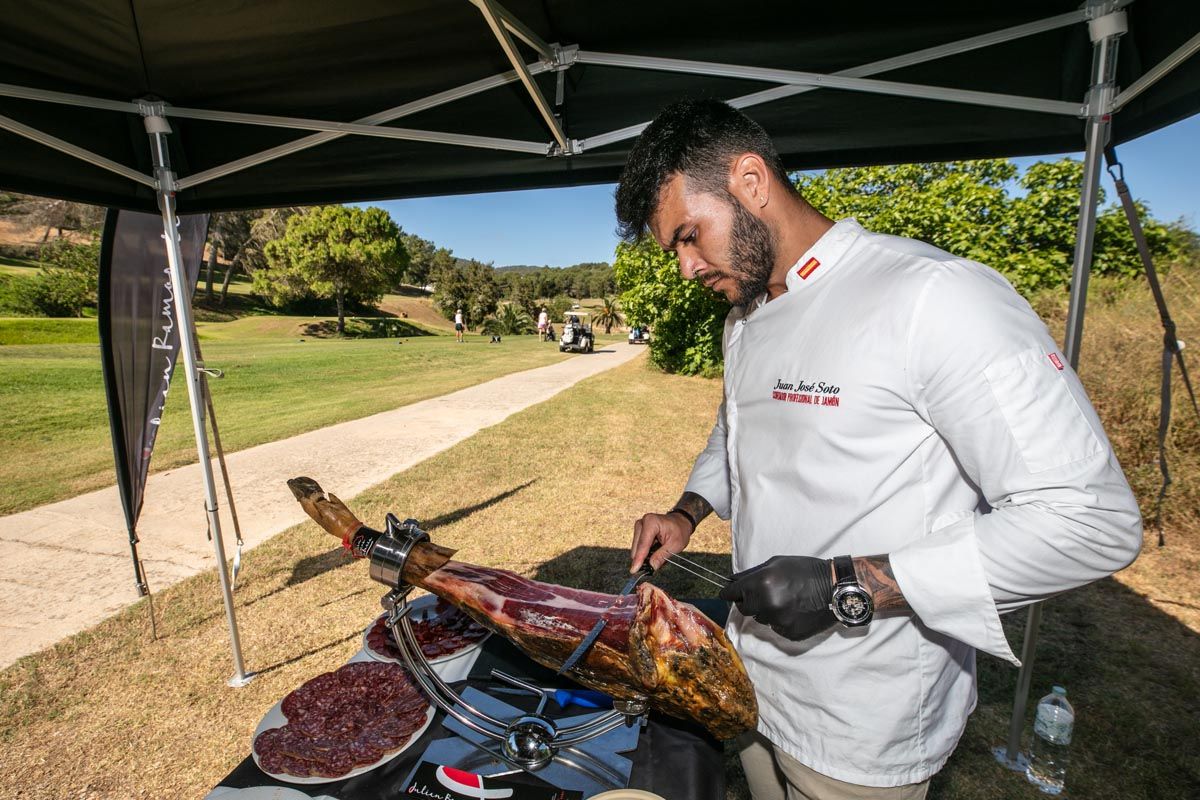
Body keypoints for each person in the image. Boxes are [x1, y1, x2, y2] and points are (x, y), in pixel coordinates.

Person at [619, 99, 1141, 799]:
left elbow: (1088, 520)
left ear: (750, 180)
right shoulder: (744, 322)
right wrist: (686, 513)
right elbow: (739, 429)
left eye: (689, 235)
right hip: (749, 683)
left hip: (863, 723)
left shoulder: (934, 297)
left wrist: (845, 586)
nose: (685, 267)